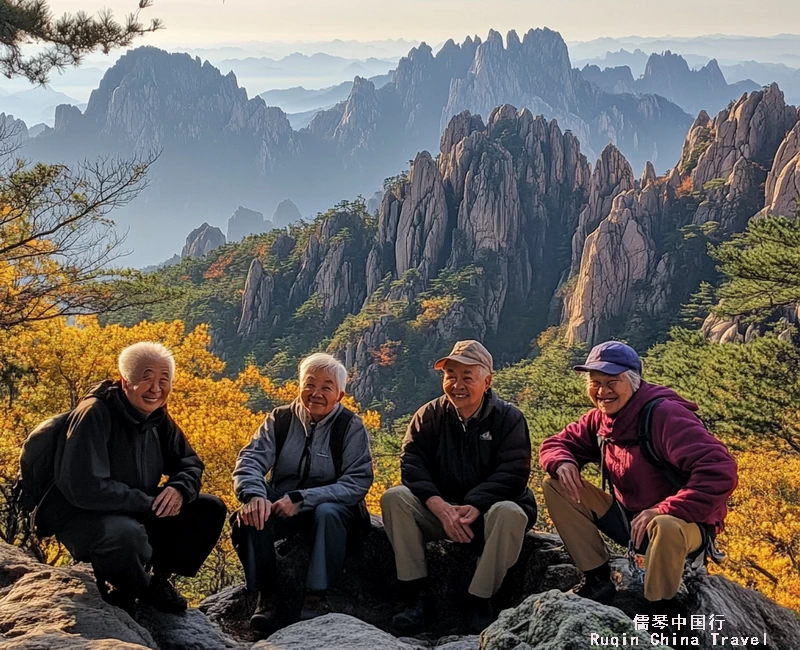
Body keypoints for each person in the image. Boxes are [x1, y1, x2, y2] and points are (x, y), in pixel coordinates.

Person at [539, 341, 738, 613]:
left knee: (665, 525)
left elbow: (720, 470)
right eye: (595, 382)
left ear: (633, 381)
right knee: (555, 484)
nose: (603, 391)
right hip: (630, 522)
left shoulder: (664, 415)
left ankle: (660, 609)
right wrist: (562, 462)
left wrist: (664, 509)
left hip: (682, 528)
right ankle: (597, 579)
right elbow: (555, 444)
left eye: (613, 381)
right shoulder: (600, 420)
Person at [36, 342, 227, 615]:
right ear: (125, 380)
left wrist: (179, 489)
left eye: (164, 379)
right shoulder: (95, 413)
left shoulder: (157, 418)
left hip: (136, 506)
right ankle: (137, 589)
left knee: (209, 508)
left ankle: (159, 579)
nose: (156, 388)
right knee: (126, 535)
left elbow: (190, 463)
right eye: (146, 378)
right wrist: (147, 504)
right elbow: (86, 488)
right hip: (83, 516)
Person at [381, 340, 536, 635]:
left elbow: (514, 472)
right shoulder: (429, 415)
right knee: (394, 498)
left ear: (487, 381)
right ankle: (415, 594)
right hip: (441, 513)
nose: (457, 384)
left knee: (511, 513)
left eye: (468, 376)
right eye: (451, 375)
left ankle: (480, 599)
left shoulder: (508, 419)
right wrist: (438, 505)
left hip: (487, 516)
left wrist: (476, 505)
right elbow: (411, 463)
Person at [231, 352, 374, 634]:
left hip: (331, 507)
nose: (316, 393)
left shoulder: (350, 426)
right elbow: (250, 459)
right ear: (298, 386)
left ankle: (316, 597)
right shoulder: (280, 420)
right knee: (250, 514)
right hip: (283, 503)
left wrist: (303, 499)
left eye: (326, 387)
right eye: (310, 384)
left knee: (327, 511)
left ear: (340, 395)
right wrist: (253, 494)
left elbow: (357, 482)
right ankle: (266, 596)